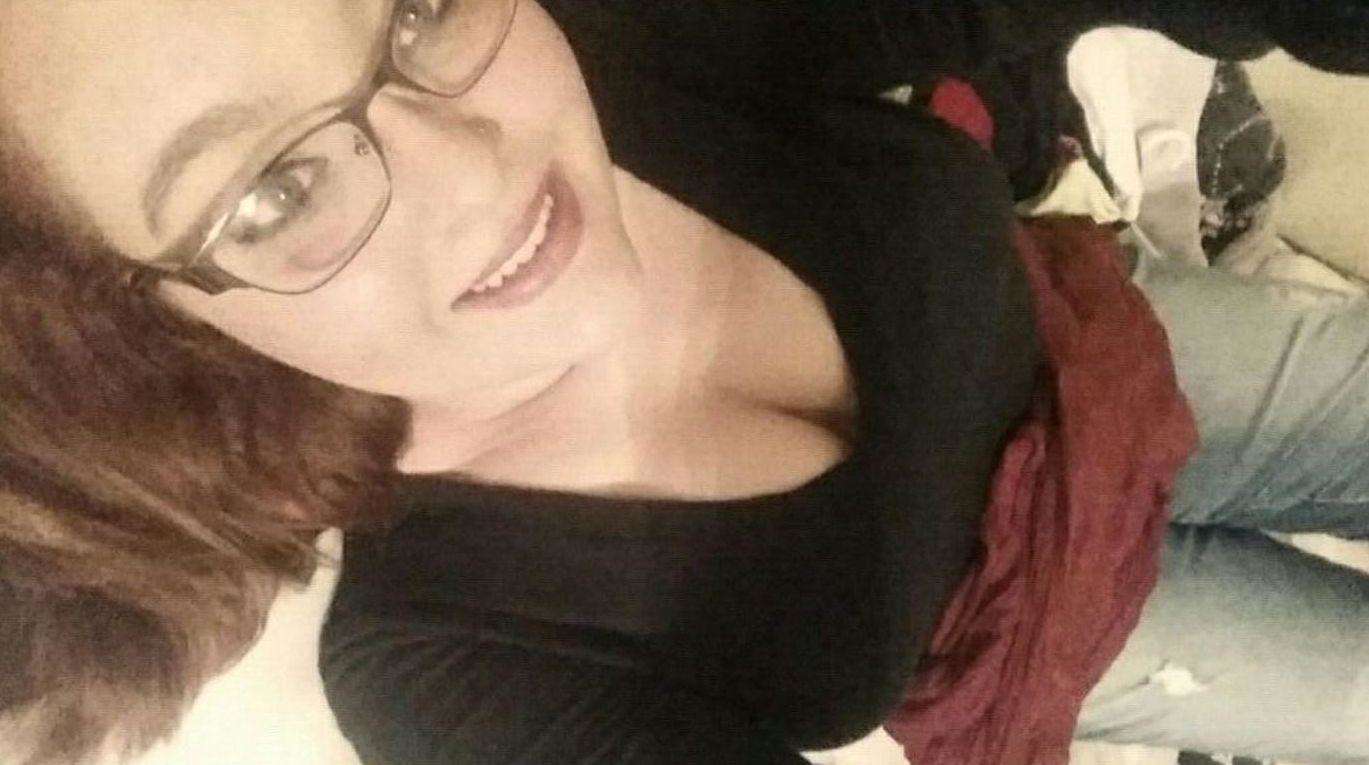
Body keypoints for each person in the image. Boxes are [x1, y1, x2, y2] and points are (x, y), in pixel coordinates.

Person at [0, 1, 1365, 763]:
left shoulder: (624, 31)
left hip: (1119, 350)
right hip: (1097, 630)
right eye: (273, 192)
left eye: (417, 6)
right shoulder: (455, 670)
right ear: (132, 328)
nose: (476, 170)